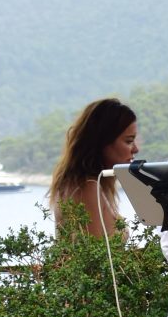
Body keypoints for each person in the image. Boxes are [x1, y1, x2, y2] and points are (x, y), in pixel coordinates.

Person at [49, 98, 139, 237]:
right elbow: (96, 254)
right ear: (103, 141)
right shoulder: (87, 187)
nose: (136, 149)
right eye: (129, 141)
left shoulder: (93, 184)